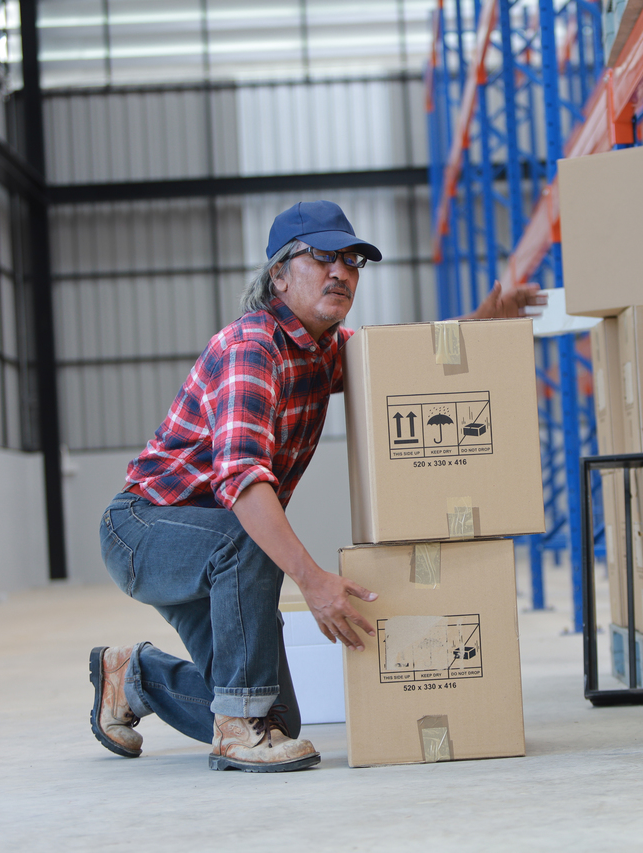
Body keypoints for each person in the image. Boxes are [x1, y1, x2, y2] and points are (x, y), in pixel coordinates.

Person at [90, 200, 543, 772]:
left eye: (352, 260)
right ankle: (236, 731)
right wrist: (313, 582)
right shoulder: (249, 349)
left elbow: (395, 363)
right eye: (323, 256)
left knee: (277, 718)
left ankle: (133, 678)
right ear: (278, 274)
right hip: (145, 528)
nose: (342, 271)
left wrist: (478, 326)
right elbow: (242, 482)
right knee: (247, 547)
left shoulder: (324, 349)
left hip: (214, 542)